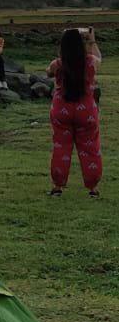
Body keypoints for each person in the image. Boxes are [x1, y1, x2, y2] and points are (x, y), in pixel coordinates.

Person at [48, 27, 102, 197]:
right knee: (90, 147)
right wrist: (92, 40)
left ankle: (57, 186)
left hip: (61, 110)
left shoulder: (57, 64)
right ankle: (93, 188)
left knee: (61, 146)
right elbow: (99, 59)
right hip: (86, 111)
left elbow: (49, 72)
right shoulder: (90, 61)